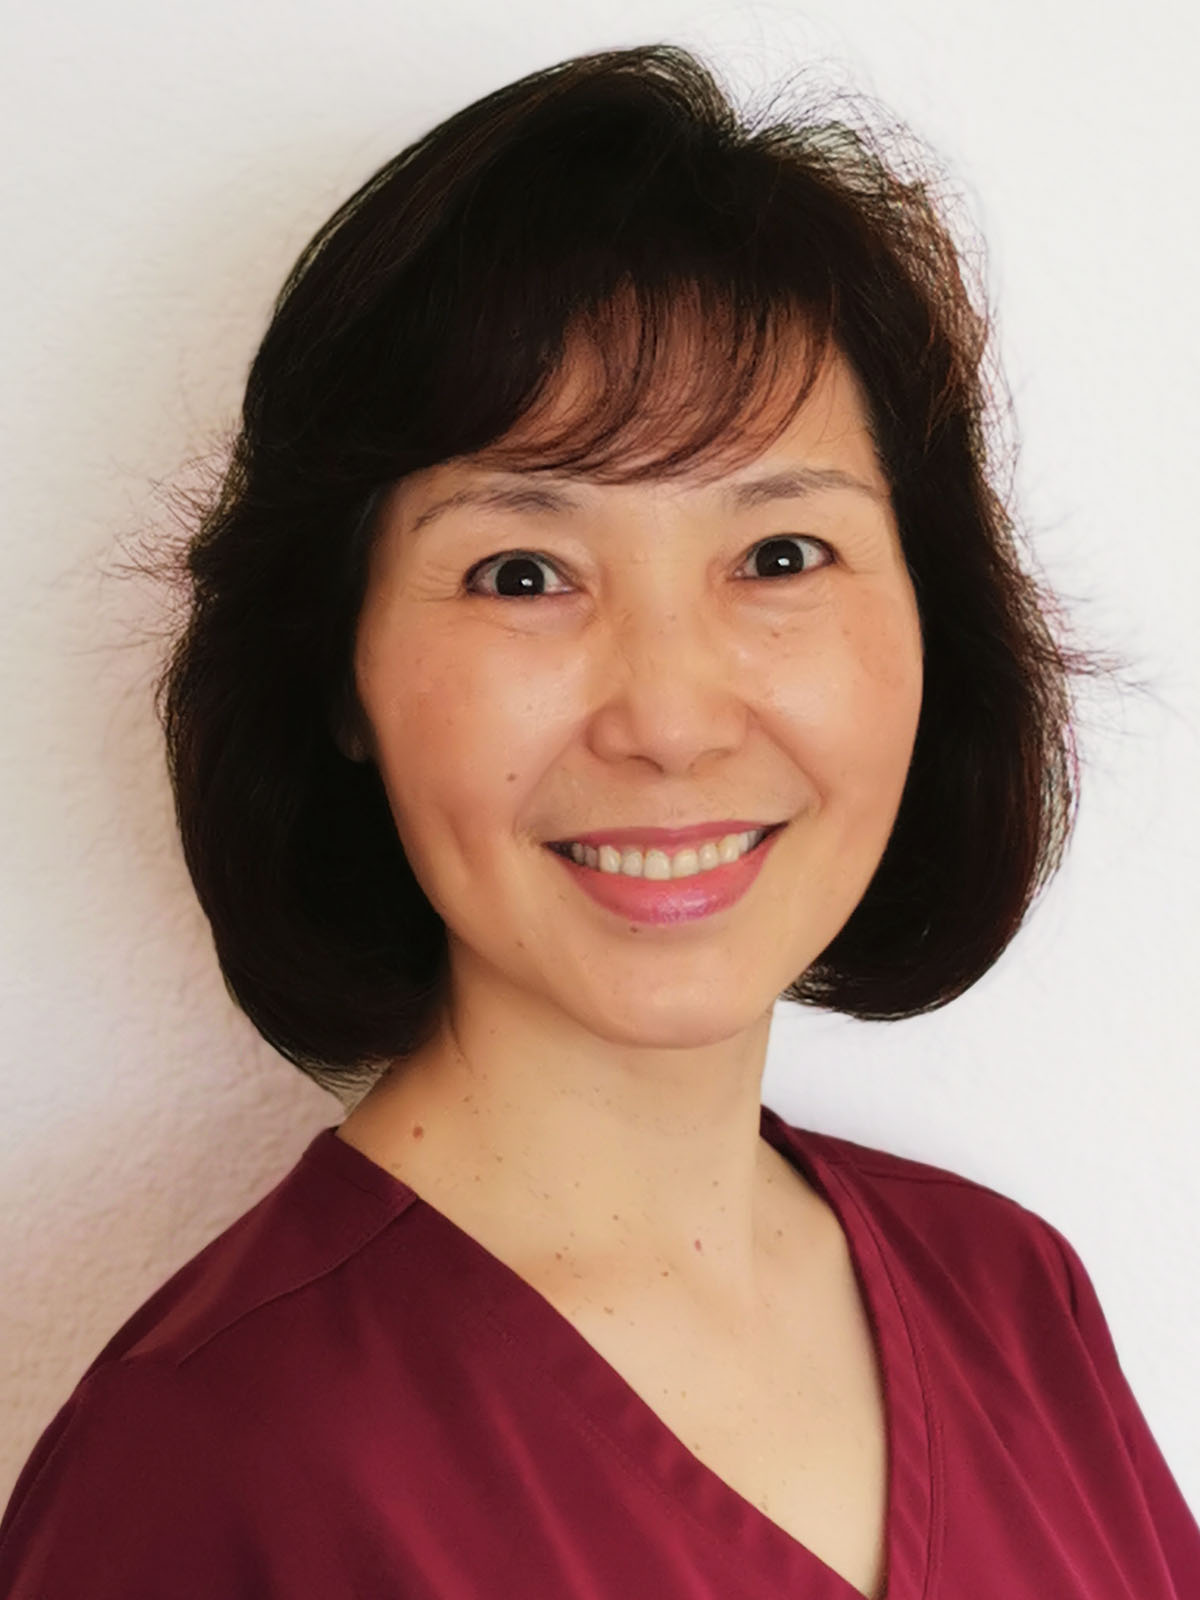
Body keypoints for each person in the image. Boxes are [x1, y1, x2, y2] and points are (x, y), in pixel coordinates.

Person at [1, 42, 1196, 1600]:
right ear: (341, 669)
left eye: (780, 555)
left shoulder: (1013, 1299)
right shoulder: (207, 1468)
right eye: (521, 573)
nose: (673, 717)